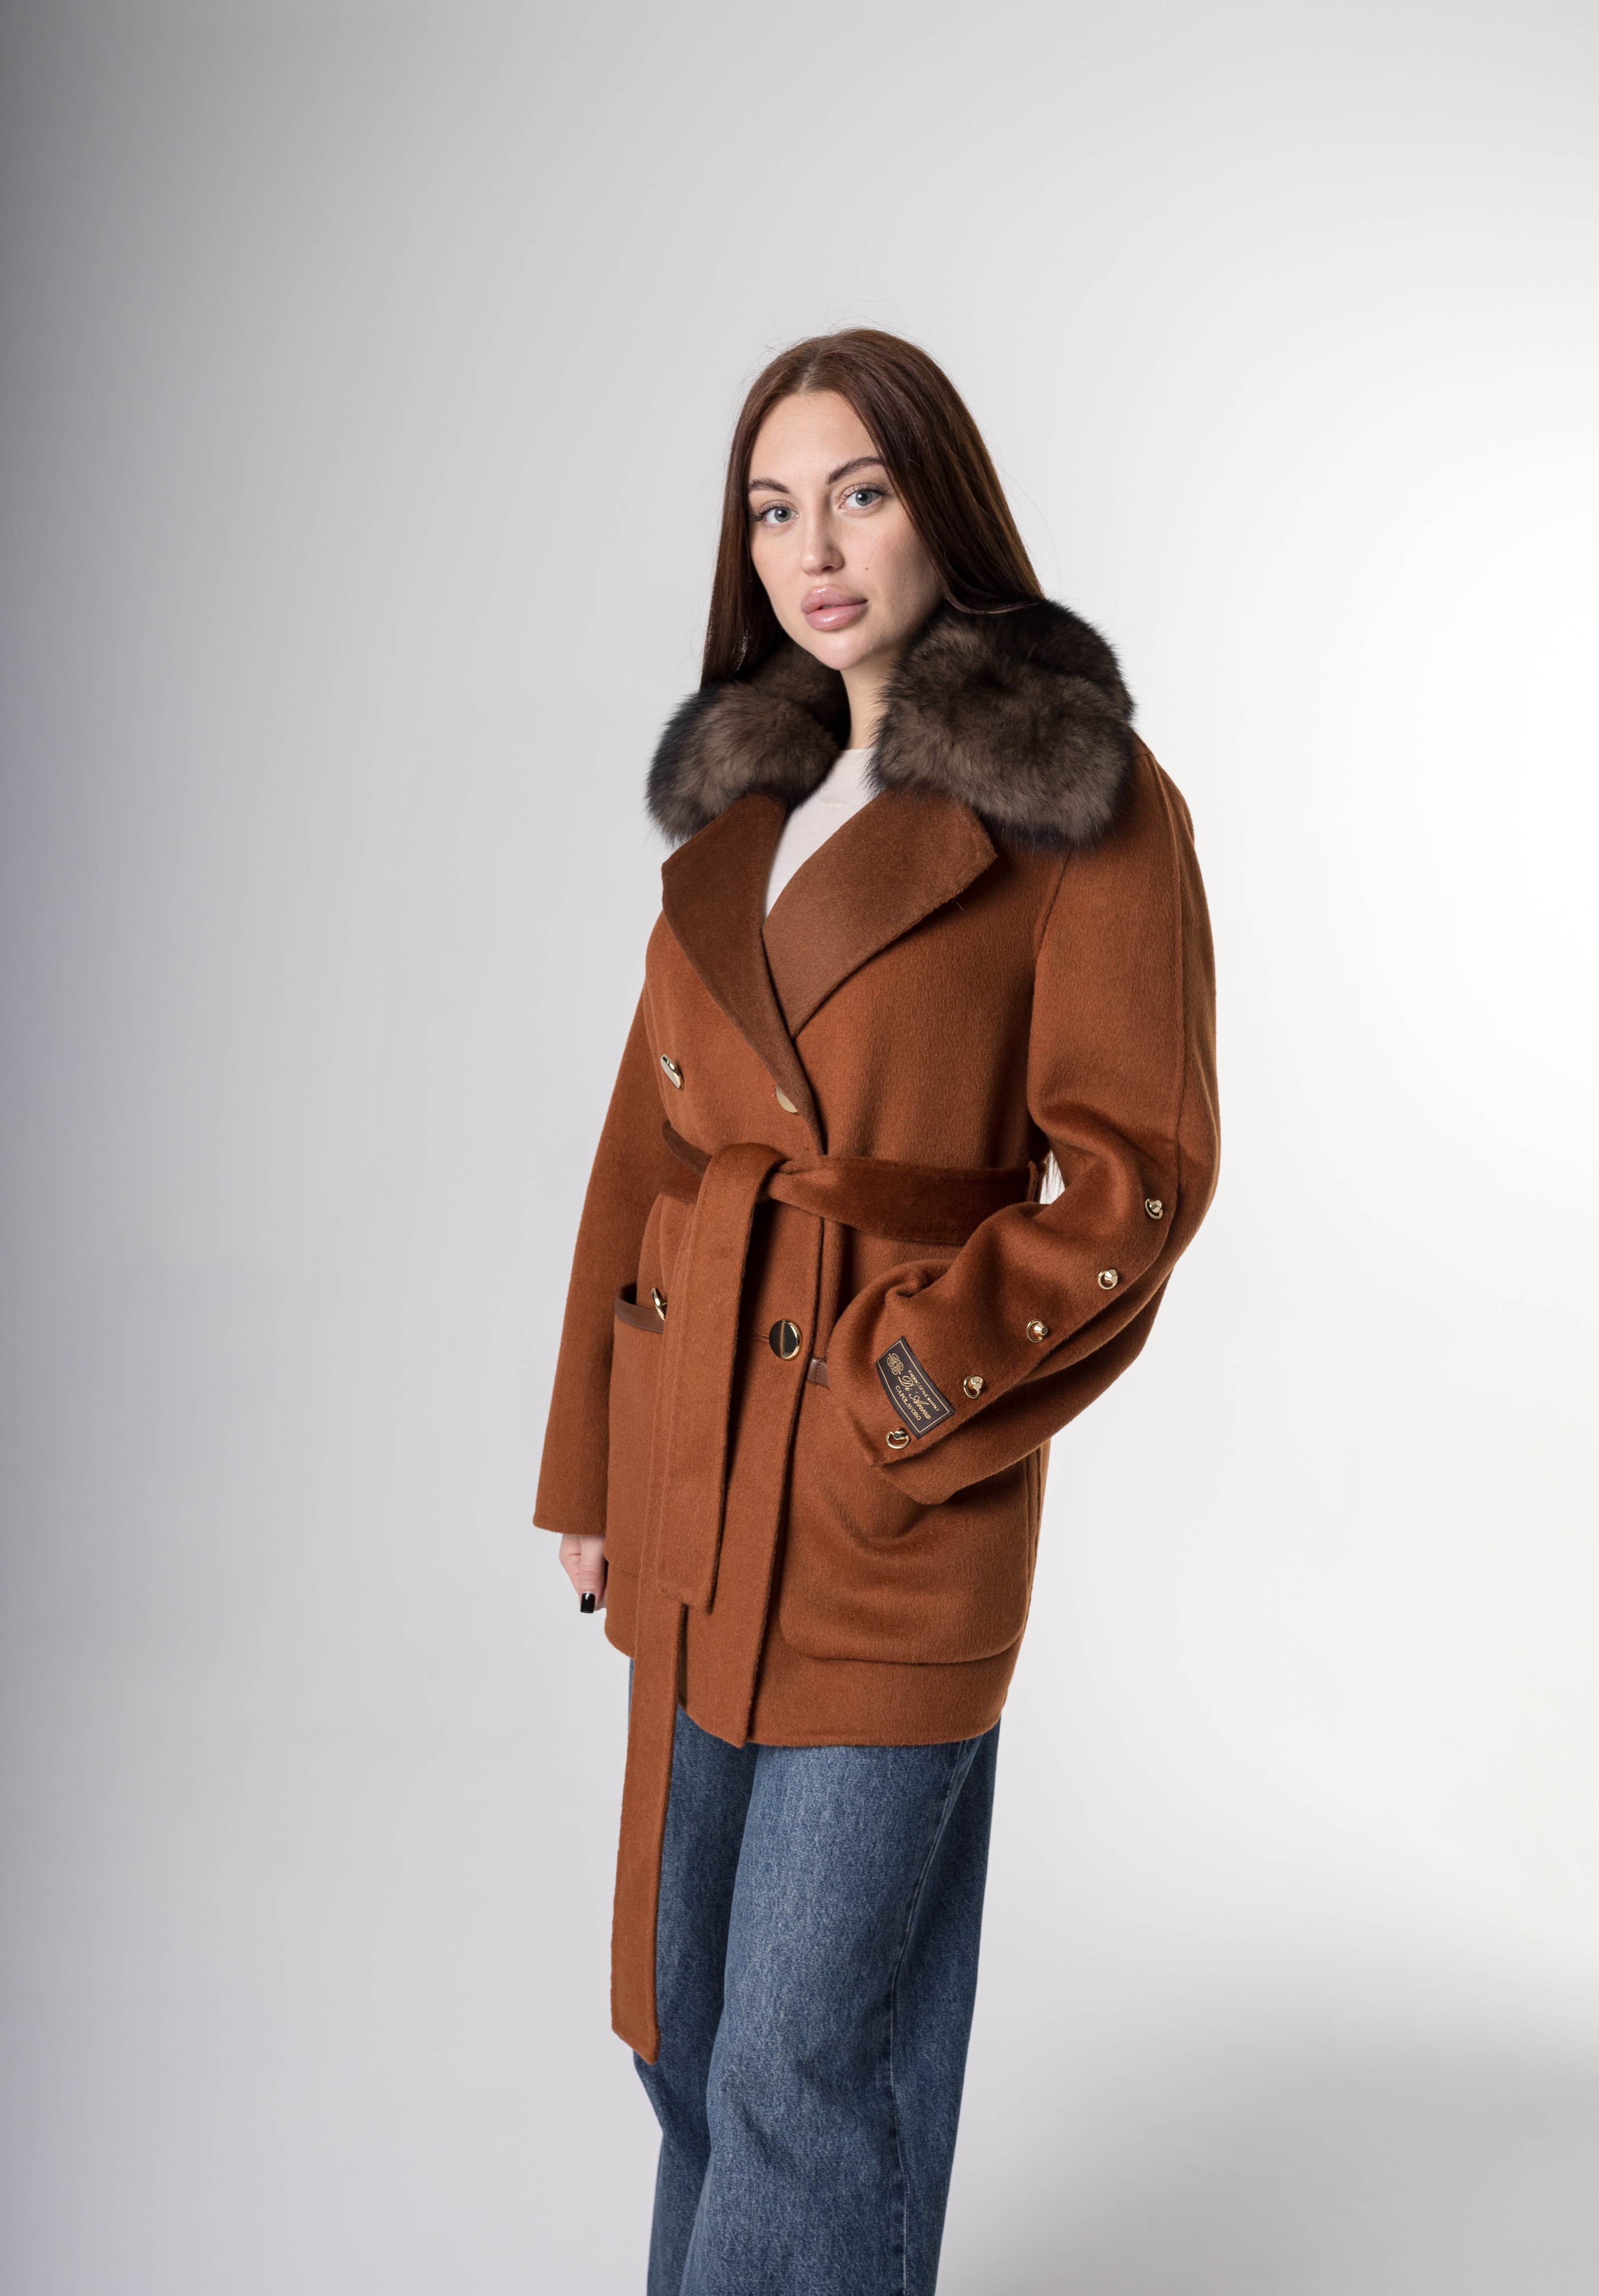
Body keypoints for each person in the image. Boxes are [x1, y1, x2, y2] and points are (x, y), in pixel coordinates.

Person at [534, 328, 1218, 2295]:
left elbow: (1135, 1177)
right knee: (683, 2038)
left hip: (886, 1502)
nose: (812, 551)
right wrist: (592, 1470)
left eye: (859, 492)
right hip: (688, 1481)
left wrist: (892, 1395)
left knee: (804, 2066)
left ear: (943, 505)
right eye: (772, 509)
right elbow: (643, 1158)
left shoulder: (1083, 801)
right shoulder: (743, 812)